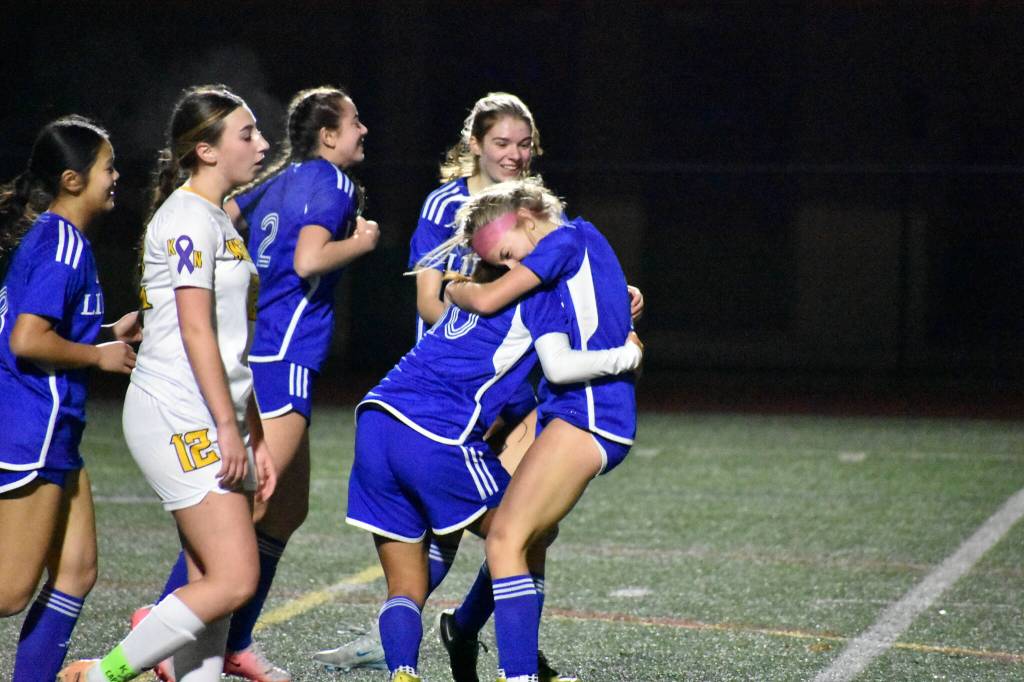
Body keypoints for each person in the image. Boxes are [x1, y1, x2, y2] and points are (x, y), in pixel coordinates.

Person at [142, 85, 378, 682]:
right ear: (327, 136)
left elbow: (234, 221)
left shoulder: (282, 177)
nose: (363, 133)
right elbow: (307, 260)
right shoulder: (333, 182)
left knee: (286, 507)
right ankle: (166, 625)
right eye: (355, 124)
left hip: (267, 347)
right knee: (250, 505)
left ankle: (235, 641)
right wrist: (363, 242)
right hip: (283, 353)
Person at [341, 250, 642, 682]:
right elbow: (559, 366)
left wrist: (620, 295)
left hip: (375, 419)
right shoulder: (537, 297)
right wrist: (626, 355)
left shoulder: (469, 288)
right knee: (527, 535)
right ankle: (513, 662)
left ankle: (404, 672)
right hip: (435, 434)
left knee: (406, 584)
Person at [59, 84, 276, 682]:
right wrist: (230, 430)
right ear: (206, 150)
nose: (260, 143)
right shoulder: (185, 219)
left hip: (210, 410)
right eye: (246, 133)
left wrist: (253, 434)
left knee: (213, 580)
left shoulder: (219, 220)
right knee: (236, 578)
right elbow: (196, 332)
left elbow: (233, 343)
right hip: (177, 412)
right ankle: (102, 675)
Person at [442, 178, 639, 682]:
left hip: (591, 415)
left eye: (507, 252)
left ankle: (519, 674)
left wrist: (452, 286)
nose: (511, 268)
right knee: (530, 537)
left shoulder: (563, 242)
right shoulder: (562, 262)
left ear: (529, 213)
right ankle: (463, 629)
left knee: (505, 538)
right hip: (571, 411)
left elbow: (488, 302)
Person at [0, 116, 138, 682]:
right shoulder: (60, 241)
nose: (116, 176)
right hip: (33, 427)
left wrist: (107, 335)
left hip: (55, 427)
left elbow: (53, 327)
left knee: (75, 573)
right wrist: (99, 358)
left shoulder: (62, 239)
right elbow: (28, 339)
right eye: (107, 166)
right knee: (8, 592)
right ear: (72, 179)